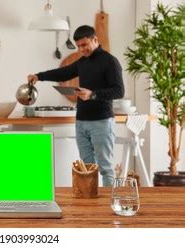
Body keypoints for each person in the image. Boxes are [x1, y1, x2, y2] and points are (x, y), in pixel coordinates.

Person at [27, 25, 124, 186]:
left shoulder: (110, 61)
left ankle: (108, 208)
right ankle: (90, 205)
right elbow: (63, 73)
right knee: (86, 168)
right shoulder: (83, 62)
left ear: (95, 40)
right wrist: (39, 76)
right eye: (78, 46)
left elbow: (119, 91)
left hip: (102, 122)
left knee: (105, 168)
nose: (81, 49)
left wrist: (92, 94)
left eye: (84, 45)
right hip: (81, 122)